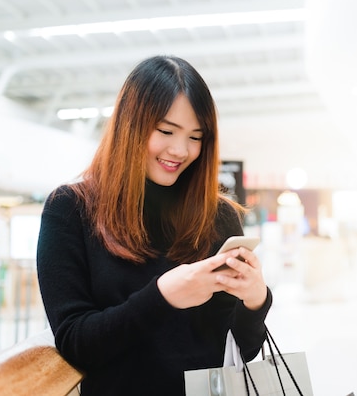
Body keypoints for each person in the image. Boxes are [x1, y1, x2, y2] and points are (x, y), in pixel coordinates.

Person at [36, 55, 272, 395]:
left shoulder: (217, 215)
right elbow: (76, 344)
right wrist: (162, 297)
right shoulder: (71, 209)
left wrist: (255, 299)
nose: (180, 150)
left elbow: (240, 351)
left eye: (196, 136)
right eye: (165, 131)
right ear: (129, 124)